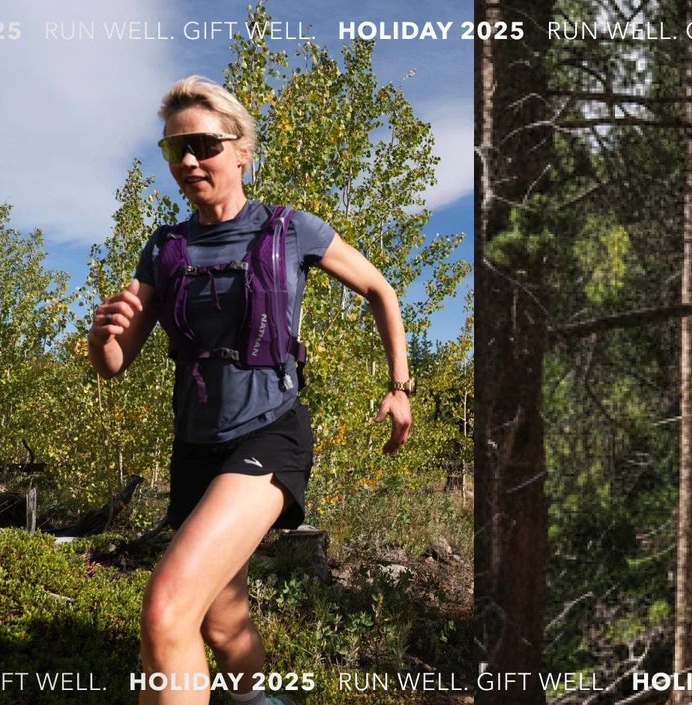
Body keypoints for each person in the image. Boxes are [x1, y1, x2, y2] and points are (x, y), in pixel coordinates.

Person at [90, 76, 416, 705]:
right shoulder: (165, 247)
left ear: (241, 150)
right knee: (219, 616)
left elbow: (381, 289)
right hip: (196, 445)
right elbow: (114, 363)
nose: (188, 161)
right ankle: (257, 700)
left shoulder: (290, 230)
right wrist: (103, 336)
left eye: (204, 144)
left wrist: (399, 387)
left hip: (270, 431)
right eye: (173, 149)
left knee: (165, 613)